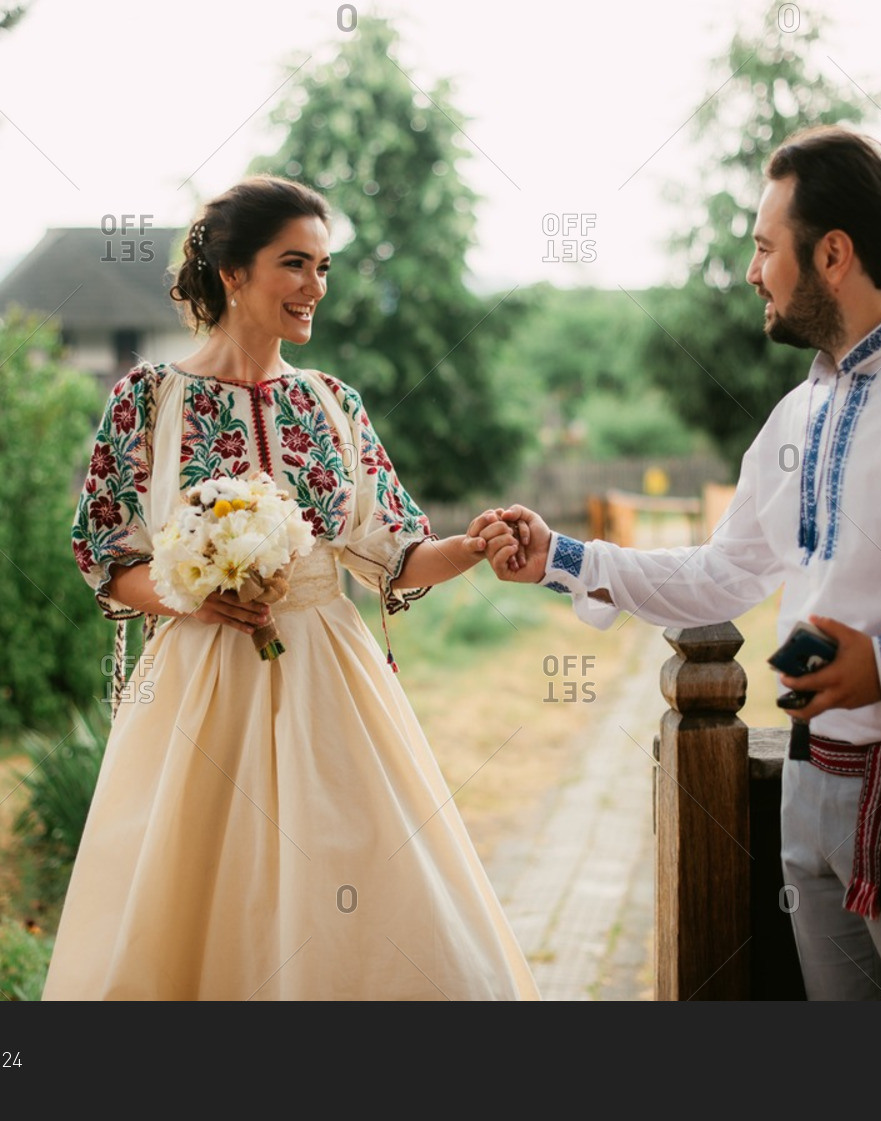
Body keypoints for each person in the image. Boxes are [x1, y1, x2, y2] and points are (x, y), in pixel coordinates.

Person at [485, 125, 881, 1000]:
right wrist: (563, 557)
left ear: (834, 254)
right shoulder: (796, 417)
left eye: (765, 247)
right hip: (813, 789)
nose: (752, 272)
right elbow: (723, 576)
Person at [42, 174, 539, 1000]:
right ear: (233, 274)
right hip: (197, 689)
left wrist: (469, 547)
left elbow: (393, 549)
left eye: (325, 267)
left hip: (329, 681)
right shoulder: (147, 400)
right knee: (195, 892)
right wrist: (191, 594)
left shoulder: (333, 402)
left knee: (359, 886)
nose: (316, 287)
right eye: (295, 264)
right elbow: (104, 552)